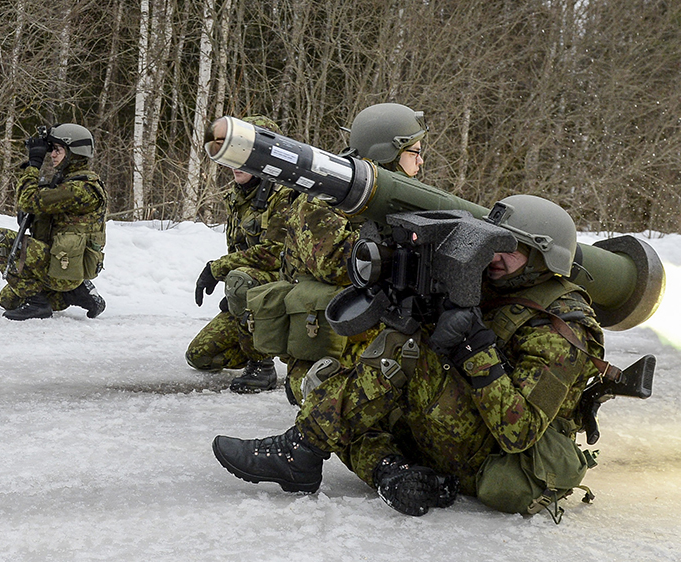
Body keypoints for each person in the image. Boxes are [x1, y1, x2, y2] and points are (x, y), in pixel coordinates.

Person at [212, 194, 606, 519]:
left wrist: (474, 347)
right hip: (462, 431)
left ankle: (302, 448)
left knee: (405, 353)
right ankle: (389, 471)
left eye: (512, 250)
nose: (495, 257)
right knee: (340, 390)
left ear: (543, 258)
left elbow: (518, 432)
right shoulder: (495, 286)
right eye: (495, 242)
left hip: (499, 452)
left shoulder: (563, 328)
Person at [224, 102, 428, 400]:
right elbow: (338, 266)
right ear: (390, 152)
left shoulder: (396, 197)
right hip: (326, 342)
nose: (421, 162)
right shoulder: (325, 199)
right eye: (416, 152)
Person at [184, 116, 294, 391]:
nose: (235, 163)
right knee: (200, 356)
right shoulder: (241, 194)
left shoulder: (283, 195)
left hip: (287, 290)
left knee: (241, 280)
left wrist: (219, 270)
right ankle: (255, 337)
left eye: (245, 154)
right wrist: (237, 302)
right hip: (255, 289)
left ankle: (262, 366)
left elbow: (274, 253)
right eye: (233, 154)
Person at [0, 123, 107, 320]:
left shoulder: (80, 189)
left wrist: (33, 165)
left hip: (63, 266)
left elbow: (27, 200)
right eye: (52, 149)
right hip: (57, 262)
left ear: (73, 153)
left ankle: (40, 303)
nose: (52, 155)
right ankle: (76, 293)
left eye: (58, 150)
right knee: (7, 300)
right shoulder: (66, 182)